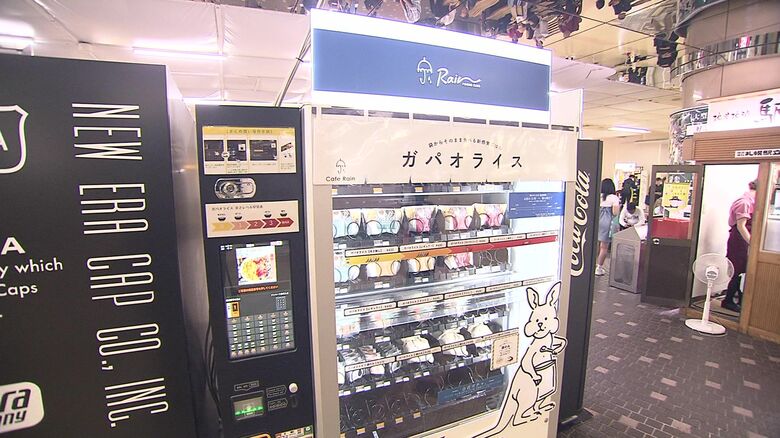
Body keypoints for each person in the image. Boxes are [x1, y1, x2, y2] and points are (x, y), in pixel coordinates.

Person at [722, 179, 757, 312]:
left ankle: (739, 299)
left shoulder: (750, 202)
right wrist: (753, 243)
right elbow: (741, 227)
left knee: (742, 270)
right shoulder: (744, 202)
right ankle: (728, 300)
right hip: (739, 240)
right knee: (737, 270)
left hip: (743, 239)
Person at [596, 178, 620, 276]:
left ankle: (592, 265)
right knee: (604, 247)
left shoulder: (598, 195)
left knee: (596, 245)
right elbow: (615, 212)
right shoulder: (614, 198)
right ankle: (599, 267)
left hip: (596, 221)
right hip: (607, 222)